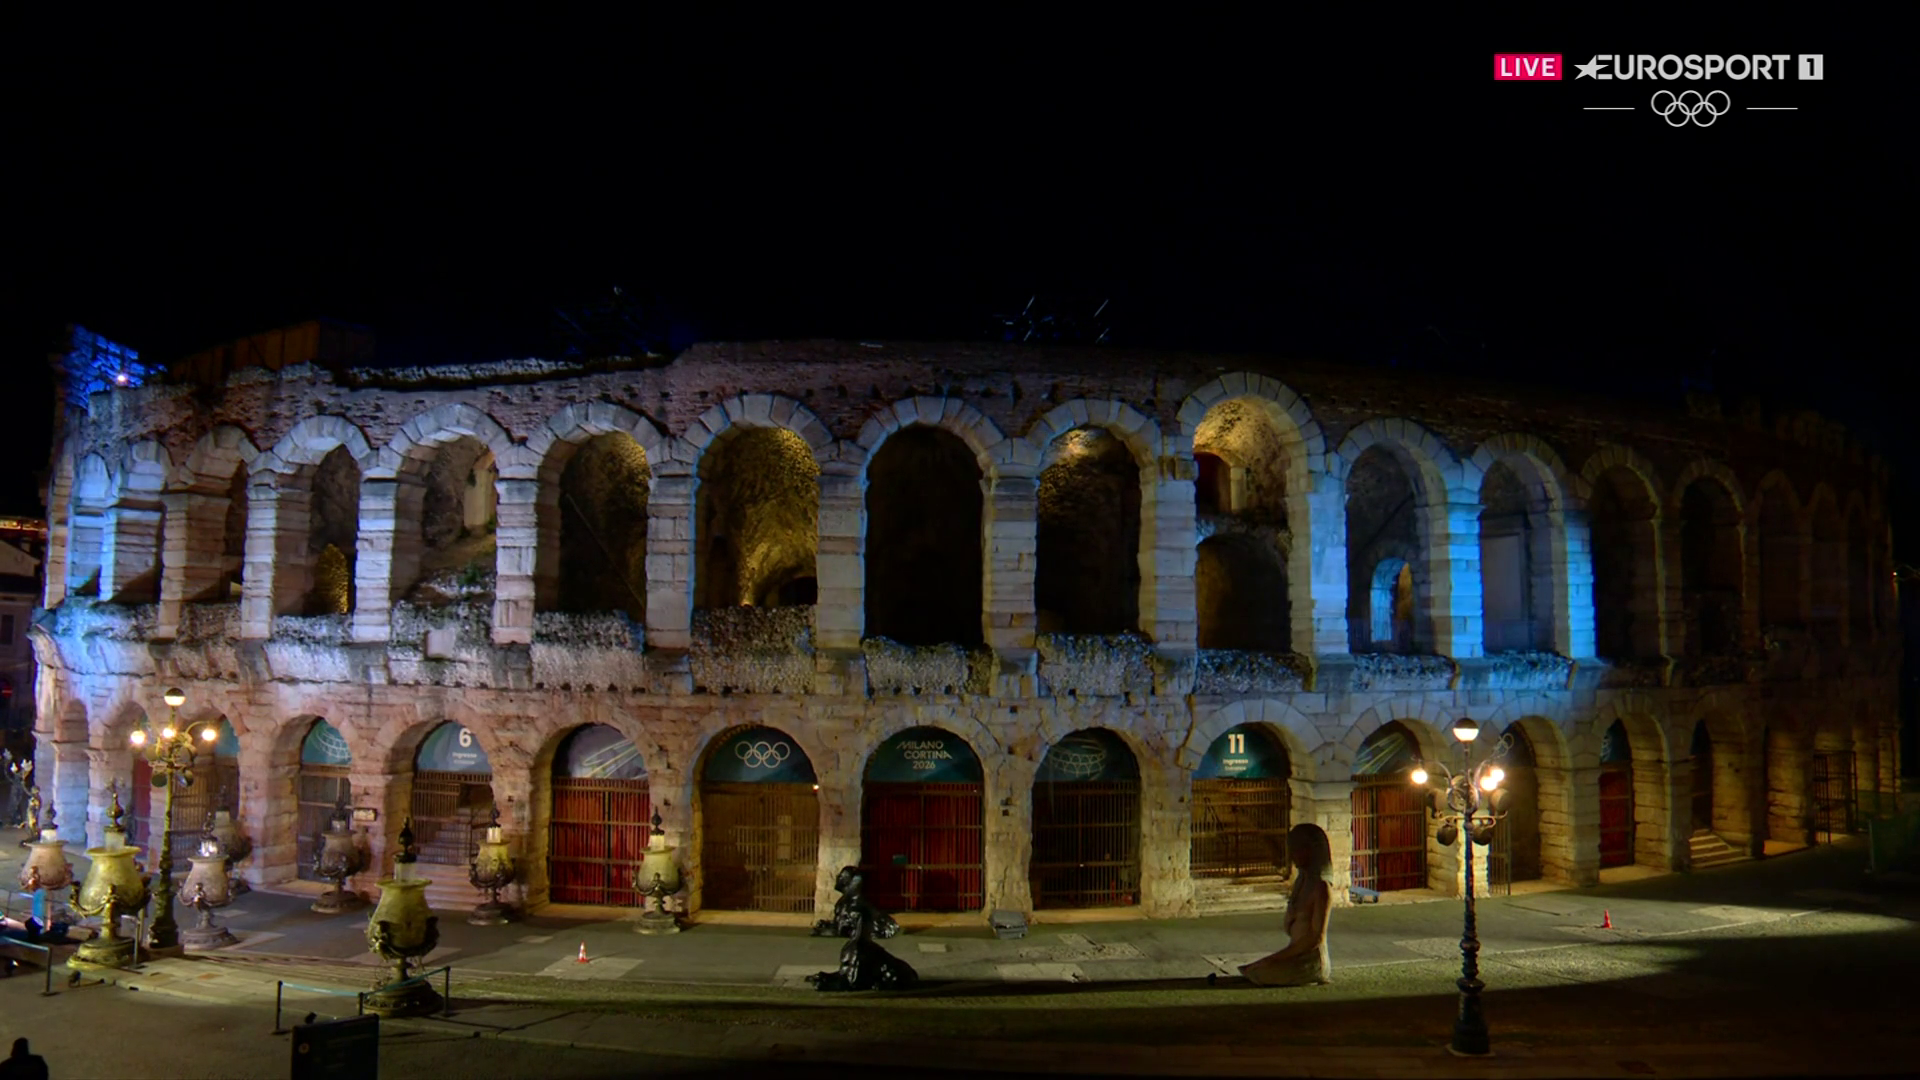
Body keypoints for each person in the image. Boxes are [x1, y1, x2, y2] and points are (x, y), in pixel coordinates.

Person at [1239, 823, 1334, 987]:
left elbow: (1316, 938)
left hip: (1311, 958)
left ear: (1310, 851)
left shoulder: (1321, 888)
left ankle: (1310, 974)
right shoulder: (1301, 884)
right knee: (1253, 970)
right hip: (1295, 954)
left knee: (1260, 973)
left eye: (1297, 850)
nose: (1292, 855)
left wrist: (1273, 959)